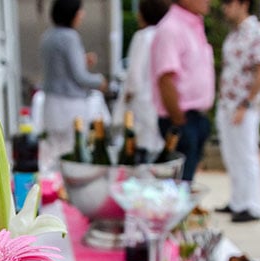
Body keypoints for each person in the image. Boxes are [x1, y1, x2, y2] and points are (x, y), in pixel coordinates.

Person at [214, 0, 260, 222]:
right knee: (231, 154)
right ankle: (238, 200)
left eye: (229, 3)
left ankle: (253, 205)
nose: (225, 8)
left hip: (244, 105)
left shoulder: (258, 32)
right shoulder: (234, 34)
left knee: (247, 154)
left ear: (243, 4)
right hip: (227, 103)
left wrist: (245, 104)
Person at [39, 0, 108, 170]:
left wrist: (82, 61)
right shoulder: (70, 37)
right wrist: (100, 81)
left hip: (51, 103)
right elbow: (80, 77)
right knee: (73, 154)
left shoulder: (47, 36)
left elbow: (59, 69)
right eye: (80, 12)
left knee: (54, 153)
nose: (82, 15)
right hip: (70, 106)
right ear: (71, 14)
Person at [151, 0, 214, 181]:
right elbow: (165, 78)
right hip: (181, 118)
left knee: (186, 180)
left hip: (196, 117)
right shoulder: (171, 28)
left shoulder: (194, 26)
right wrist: (179, 120)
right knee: (179, 183)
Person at [112, 0, 170, 155]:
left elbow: (134, 73)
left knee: (139, 147)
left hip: (141, 101)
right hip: (160, 102)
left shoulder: (142, 37)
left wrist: (128, 95)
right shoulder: (165, 35)